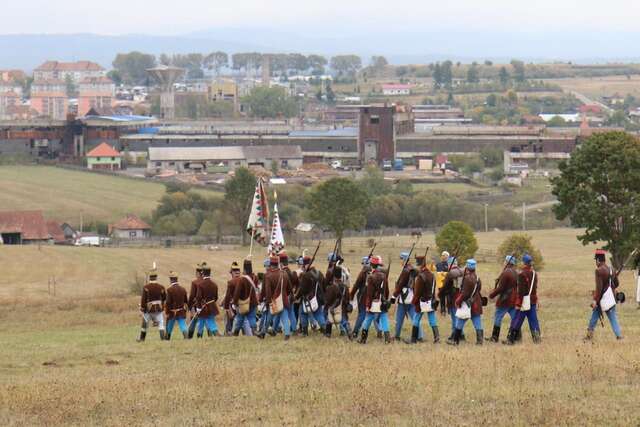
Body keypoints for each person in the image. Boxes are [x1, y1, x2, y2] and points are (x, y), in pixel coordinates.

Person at [585, 249, 623, 341]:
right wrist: (614, 276)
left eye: (596, 260)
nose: (596, 262)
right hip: (611, 298)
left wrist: (595, 300)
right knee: (611, 317)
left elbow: (599, 288)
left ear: (598, 260)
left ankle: (589, 335)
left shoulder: (598, 271)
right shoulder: (611, 269)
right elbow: (616, 284)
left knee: (595, 316)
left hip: (602, 298)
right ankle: (619, 336)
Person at [504, 254, 541, 344]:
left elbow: (521, 292)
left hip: (524, 301)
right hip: (532, 300)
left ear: (524, 263)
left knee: (517, 320)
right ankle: (537, 339)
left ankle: (510, 340)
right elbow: (535, 288)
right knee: (533, 320)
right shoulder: (534, 273)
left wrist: (518, 304)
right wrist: (537, 300)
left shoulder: (521, 274)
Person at [448, 259, 484, 346]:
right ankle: (479, 341)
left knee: (460, 321)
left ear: (467, 267)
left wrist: (458, 301)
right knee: (477, 322)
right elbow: (478, 289)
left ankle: (455, 341)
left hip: (466, 304)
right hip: (475, 303)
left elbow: (464, 293)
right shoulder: (477, 277)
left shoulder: (467, 278)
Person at [358, 256, 391, 344]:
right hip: (382, 301)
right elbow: (387, 290)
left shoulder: (371, 277)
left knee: (368, 319)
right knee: (384, 319)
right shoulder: (384, 276)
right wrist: (385, 300)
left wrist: (368, 305)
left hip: (374, 303)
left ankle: (363, 339)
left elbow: (369, 294)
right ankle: (387, 339)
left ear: (371, 265)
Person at [407, 255, 439, 344]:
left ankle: (413, 339)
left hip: (422, 301)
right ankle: (437, 338)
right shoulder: (432, 275)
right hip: (431, 300)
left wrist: (414, 301)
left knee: (416, 319)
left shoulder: (421, 276)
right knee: (432, 320)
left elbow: (417, 292)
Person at [391, 252, 423, 342]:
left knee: (399, 319)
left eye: (401, 259)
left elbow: (400, 285)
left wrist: (394, 296)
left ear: (404, 259)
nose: (400, 261)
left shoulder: (406, 270)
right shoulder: (412, 269)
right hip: (412, 296)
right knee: (415, 318)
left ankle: (397, 336)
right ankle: (420, 336)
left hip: (404, 298)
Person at [487, 255, 518, 343]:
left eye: (505, 261)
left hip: (505, 299)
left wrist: (492, 295)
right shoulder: (515, 272)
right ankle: (516, 337)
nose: (504, 262)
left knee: (498, 317)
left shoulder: (506, 272)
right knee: (514, 318)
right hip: (513, 298)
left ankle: (494, 337)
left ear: (507, 262)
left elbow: (501, 288)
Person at [260, 256, 292, 340]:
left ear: (270, 264)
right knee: (284, 317)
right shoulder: (284, 273)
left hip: (273, 301)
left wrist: (267, 301)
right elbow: (289, 289)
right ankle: (287, 333)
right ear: (277, 264)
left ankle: (263, 333)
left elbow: (267, 291)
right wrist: (284, 295)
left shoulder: (268, 275)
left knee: (269, 317)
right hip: (283, 300)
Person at [296, 256, 327, 336]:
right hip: (319, 298)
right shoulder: (320, 273)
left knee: (302, 313)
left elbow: (302, 289)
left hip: (308, 299)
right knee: (319, 314)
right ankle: (324, 329)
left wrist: (296, 297)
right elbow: (324, 286)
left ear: (306, 265)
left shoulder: (306, 275)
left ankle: (305, 332)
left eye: (303, 265)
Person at [439, 257, 466, 341]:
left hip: (453, 297)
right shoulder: (462, 271)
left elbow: (445, 287)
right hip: (460, 297)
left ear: (450, 264)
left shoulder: (450, 273)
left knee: (455, 318)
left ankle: (454, 335)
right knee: (457, 317)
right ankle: (461, 334)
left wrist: (440, 293)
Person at [137, 269, 167, 342]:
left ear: (150, 277)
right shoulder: (161, 287)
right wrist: (162, 307)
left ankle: (142, 339)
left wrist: (142, 309)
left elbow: (143, 300)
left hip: (148, 310)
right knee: (161, 324)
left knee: (144, 325)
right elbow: (164, 298)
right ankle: (163, 339)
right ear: (156, 277)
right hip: (159, 309)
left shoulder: (146, 287)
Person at [232, 259, 259, 336]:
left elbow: (237, 292)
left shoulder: (242, 279)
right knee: (252, 318)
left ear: (244, 269)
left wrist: (235, 302)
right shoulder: (255, 277)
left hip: (243, 303)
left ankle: (236, 333)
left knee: (240, 318)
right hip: (253, 302)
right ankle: (254, 331)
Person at [324, 265, 352, 338]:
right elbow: (348, 298)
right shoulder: (345, 287)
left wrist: (328, 306)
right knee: (344, 321)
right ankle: (348, 330)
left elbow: (328, 300)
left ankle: (328, 334)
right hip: (342, 307)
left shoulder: (331, 287)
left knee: (328, 320)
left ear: (334, 276)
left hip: (332, 307)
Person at [195, 265, 220, 338]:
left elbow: (198, 297)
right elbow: (216, 297)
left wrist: (198, 307)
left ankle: (215, 334)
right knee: (202, 321)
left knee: (205, 321)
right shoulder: (214, 284)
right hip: (212, 306)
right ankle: (199, 336)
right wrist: (211, 303)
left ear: (202, 273)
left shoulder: (200, 284)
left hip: (203, 307)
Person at [165, 271, 189, 340]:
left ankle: (167, 338)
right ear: (176, 279)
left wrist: (167, 312)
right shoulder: (183, 289)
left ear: (171, 279)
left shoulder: (169, 290)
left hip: (172, 312)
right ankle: (186, 336)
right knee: (183, 325)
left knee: (169, 326)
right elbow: (186, 301)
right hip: (181, 311)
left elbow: (168, 303)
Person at [280, 252, 299, 334]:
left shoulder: (282, 273)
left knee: (284, 315)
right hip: (291, 296)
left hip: (284, 297)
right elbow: (298, 284)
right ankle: (294, 329)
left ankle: (286, 331)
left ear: (281, 263)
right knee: (291, 314)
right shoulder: (292, 273)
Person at [222, 262, 241, 336]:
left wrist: (227, 307)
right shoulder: (240, 280)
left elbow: (228, 295)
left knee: (230, 320)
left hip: (235, 303)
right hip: (237, 303)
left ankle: (228, 332)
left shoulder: (231, 282)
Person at [187, 263, 205, 338]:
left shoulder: (194, 282)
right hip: (205, 305)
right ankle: (200, 336)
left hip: (195, 305)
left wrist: (189, 306)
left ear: (197, 273)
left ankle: (190, 336)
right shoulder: (206, 281)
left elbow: (191, 295)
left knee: (193, 321)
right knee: (203, 321)